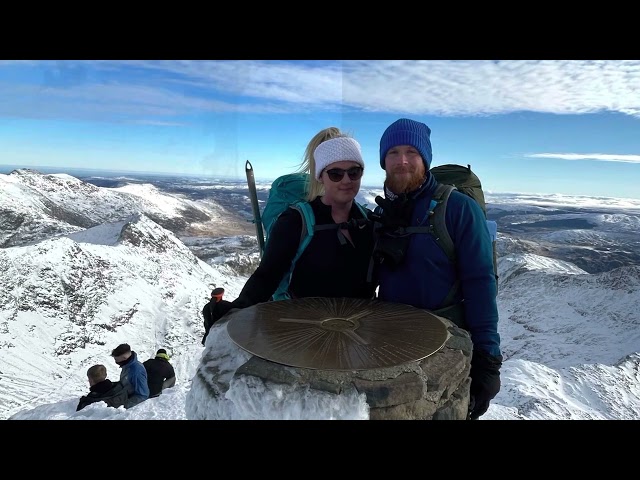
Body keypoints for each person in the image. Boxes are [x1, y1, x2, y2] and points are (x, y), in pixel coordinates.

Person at [372, 118, 502, 420]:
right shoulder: (383, 212)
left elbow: (481, 283)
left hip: (446, 352)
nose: (402, 160)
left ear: (425, 158)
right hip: (389, 350)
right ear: (383, 161)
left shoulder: (458, 209)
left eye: (411, 152)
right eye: (392, 152)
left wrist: (488, 359)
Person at [209, 128, 376, 322]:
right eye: (336, 174)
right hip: (304, 331)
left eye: (354, 172)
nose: (346, 180)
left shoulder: (370, 222)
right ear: (321, 176)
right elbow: (268, 276)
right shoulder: (296, 221)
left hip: (359, 327)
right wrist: (235, 309)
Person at [110, 343, 150, 408]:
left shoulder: (136, 371)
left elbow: (143, 395)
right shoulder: (127, 366)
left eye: (116, 360)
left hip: (130, 405)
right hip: (124, 397)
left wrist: (124, 406)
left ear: (124, 358)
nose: (116, 363)